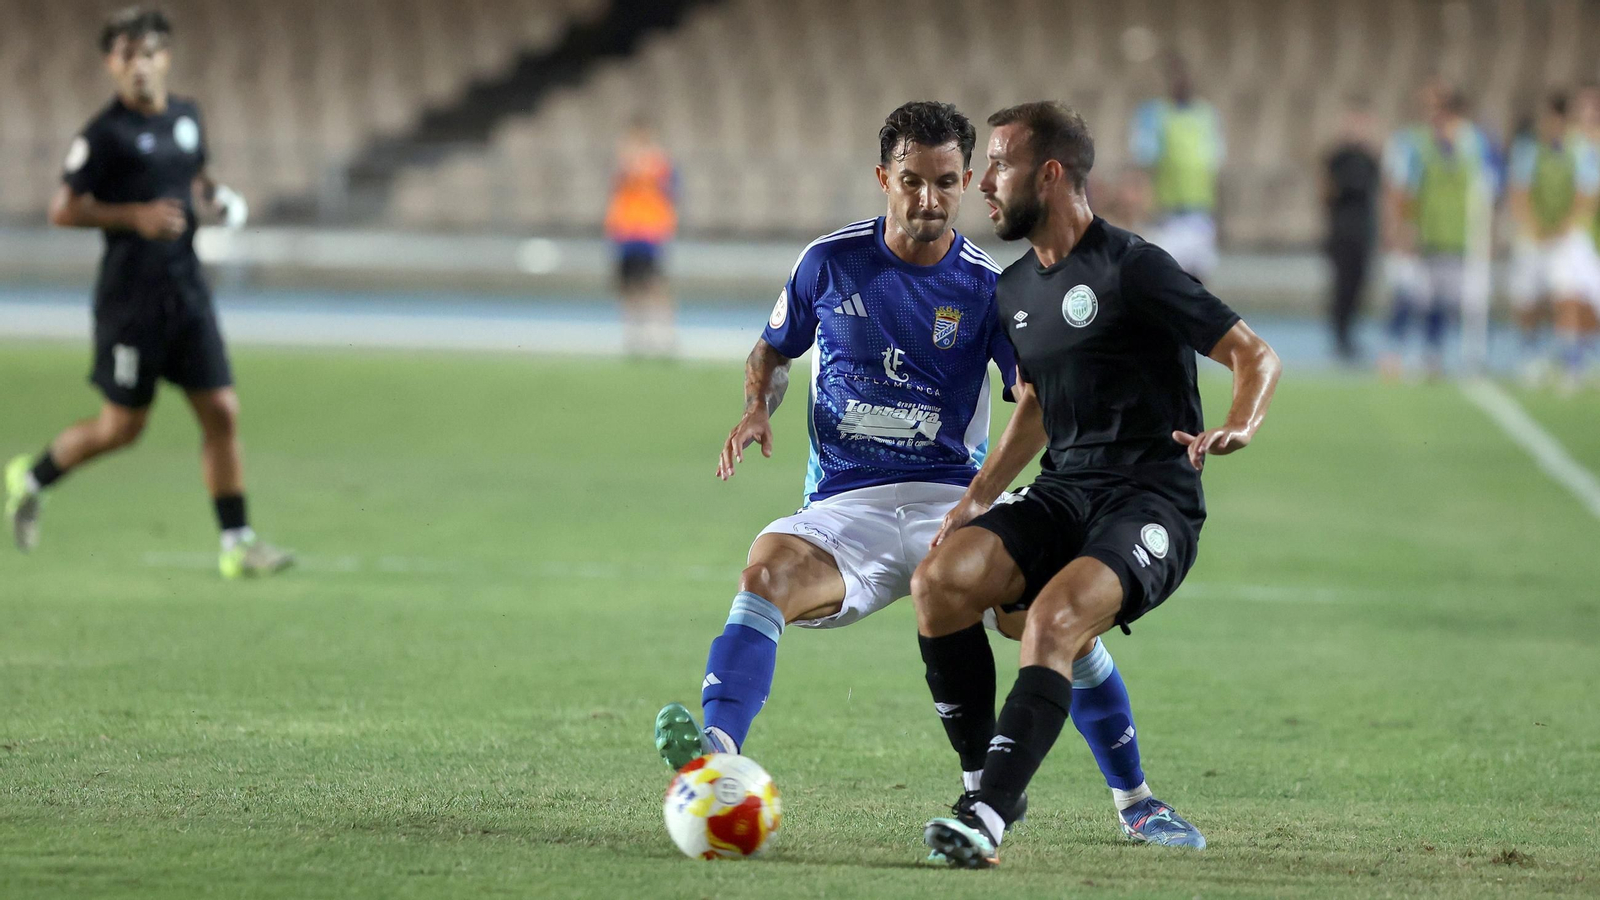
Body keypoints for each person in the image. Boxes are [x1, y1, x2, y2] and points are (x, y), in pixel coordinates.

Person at [914, 102, 1280, 868]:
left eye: (1001, 164)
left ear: (1049, 174)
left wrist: (1240, 422)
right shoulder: (1015, 291)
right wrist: (979, 496)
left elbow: (1253, 352)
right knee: (942, 581)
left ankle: (987, 815)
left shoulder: (1132, 266)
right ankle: (988, 776)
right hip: (1066, 493)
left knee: (1050, 621)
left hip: (1152, 500)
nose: (984, 181)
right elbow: (1038, 407)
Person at [651, 101, 1021, 778]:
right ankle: (718, 752)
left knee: (1056, 613)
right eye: (913, 180)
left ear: (966, 181)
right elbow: (771, 352)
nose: (929, 198)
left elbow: (1031, 398)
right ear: (885, 178)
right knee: (764, 573)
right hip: (845, 507)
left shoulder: (991, 289)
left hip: (954, 504)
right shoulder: (828, 262)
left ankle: (1135, 797)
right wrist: (757, 408)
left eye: (945, 181)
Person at [4, 7, 291, 578]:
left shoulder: (187, 117)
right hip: (130, 306)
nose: (140, 65)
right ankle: (29, 478)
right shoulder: (102, 136)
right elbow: (62, 210)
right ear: (111, 64)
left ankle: (237, 542)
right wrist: (132, 215)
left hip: (186, 294)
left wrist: (218, 195)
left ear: (168, 58)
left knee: (222, 411)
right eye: (127, 54)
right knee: (122, 429)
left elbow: (191, 173)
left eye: (150, 52)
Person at [1378, 88, 1497, 379]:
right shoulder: (1417, 144)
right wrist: (1402, 227)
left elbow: (1488, 188)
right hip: (1422, 235)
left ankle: (1433, 353)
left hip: (1456, 237)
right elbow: (1403, 189)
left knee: (1442, 300)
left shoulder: (1473, 144)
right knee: (1409, 294)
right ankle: (1393, 350)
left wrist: (1485, 233)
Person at [1506, 93, 1600, 390]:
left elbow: (1586, 195)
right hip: (1534, 234)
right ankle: (1530, 355)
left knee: (1569, 295)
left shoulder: (1580, 150)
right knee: (1527, 298)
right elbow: (1518, 192)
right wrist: (1533, 225)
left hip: (1566, 236)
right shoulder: (1529, 149)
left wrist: (1562, 228)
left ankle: (1571, 362)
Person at [1129, 56, 1226, 280]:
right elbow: (1144, 164)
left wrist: (1219, 218)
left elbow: (1214, 169)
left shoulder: (1207, 115)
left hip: (1201, 213)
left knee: (1199, 286)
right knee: (1168, 282)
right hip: (1168, 216)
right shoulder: (1155, 115)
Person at [603, 119, 679, 357]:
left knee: (654, 284)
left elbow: (668, 188)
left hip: (648, 231)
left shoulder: (657, 164)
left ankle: (663, 335)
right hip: (626, 231)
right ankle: (633, 336)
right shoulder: (623, 164)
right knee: (628, 286)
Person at [1322, 97, 1382, 363]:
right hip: (1341, 229)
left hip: (1363, 229)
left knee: (1359, 284)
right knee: (1341, 285)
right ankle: (1339, 334)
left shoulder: (1371, 159)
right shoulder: (1336, 157)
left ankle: (1351, 333)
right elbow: (1324, 189)